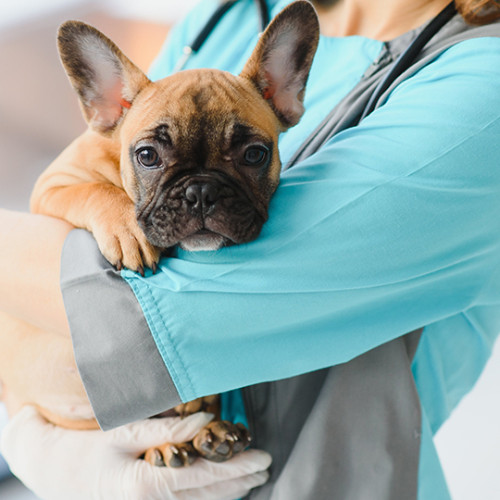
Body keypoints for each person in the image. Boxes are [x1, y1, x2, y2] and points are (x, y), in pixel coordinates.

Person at [1, 0, 500, 498]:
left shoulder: (483, 84)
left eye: (251, 155)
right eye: (154, 156)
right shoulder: (228, 16)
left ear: (284, 95)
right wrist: (27, 435)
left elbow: (144, 312)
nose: (199, 196)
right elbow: (70, 196)